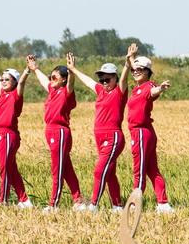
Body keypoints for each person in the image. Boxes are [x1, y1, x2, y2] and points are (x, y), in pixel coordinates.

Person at [68, 53, 130, 212]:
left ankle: (93, 205)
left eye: (107, 79)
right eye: (101, 79)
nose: (104, 82)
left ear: (115, 78)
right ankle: (117, 206)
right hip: (99, 137)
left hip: (113, 136)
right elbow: (89, 81)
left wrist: (128, 63)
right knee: (109, 172)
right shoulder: (101, 91)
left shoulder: (119, 92)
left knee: (99, 170)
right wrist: (74, 69)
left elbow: (124, 80)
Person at [28, 54, 85, 211]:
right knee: (66, 168)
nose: (51, 80)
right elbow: (43, 80)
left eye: (54, 77)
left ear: (63, 80)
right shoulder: (52, 91)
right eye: (50, 77)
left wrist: (72, 70)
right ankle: (78, 200)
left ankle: (54, 204)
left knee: (57, 169)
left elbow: (71, 83)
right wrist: (35, 68)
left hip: (60, 132)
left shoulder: (66, 93)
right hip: (51, 131)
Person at [125, 43, 173, 212]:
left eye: (140, 70)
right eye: (134, 70)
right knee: (152, 169)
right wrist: (131, 56)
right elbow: (134, 67)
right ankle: (163, 204)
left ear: (148, 72)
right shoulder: (137, 88)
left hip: (141, 133)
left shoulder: (148, 86)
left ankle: (134, 204)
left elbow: (154, 91)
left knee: (139, 170)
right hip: (144, 133)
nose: (136, 71)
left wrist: (161, 88)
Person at [0, 53, 33, 208]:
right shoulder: (3, 93)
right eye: (3, 79)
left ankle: (3, 200)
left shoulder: (15, 95)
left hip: (8, 134)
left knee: (4, 168)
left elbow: (21, 84)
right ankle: (24, 200)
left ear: (14, 81)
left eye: (7, 79)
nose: (3, 81)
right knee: (11, 168)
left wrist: (27, 70)